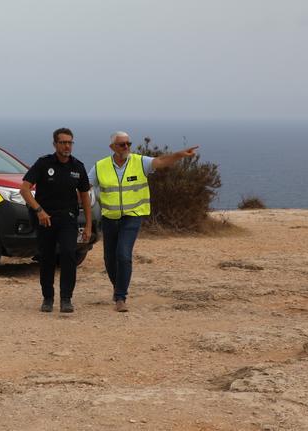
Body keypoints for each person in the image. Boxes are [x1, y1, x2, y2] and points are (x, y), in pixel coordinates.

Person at [88, 131, 198, 313]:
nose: (126, 147)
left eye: (128, 144)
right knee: (109, 259)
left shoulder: (140, 162)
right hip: (109, 218)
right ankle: (118, 288)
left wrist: (179, 155)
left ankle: (121, 297)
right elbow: (86, 186)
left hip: (133, 216)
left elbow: (161, 162)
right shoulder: (100, 166)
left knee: (123, 254)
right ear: (112, 147)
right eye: (122, 144)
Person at [20, 128, 92, 314]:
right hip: (46, 220)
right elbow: (25, 189)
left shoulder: (78, 167)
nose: (67, 146)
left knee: (69, 254)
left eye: (70, 142)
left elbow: (85, 196)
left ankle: (66, 299)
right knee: (47, 258)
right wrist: (39, 211)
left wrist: (88, 226)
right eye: (63, 142)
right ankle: (48, 298)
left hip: (68, 219)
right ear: (55, 144)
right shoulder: (44, 164)